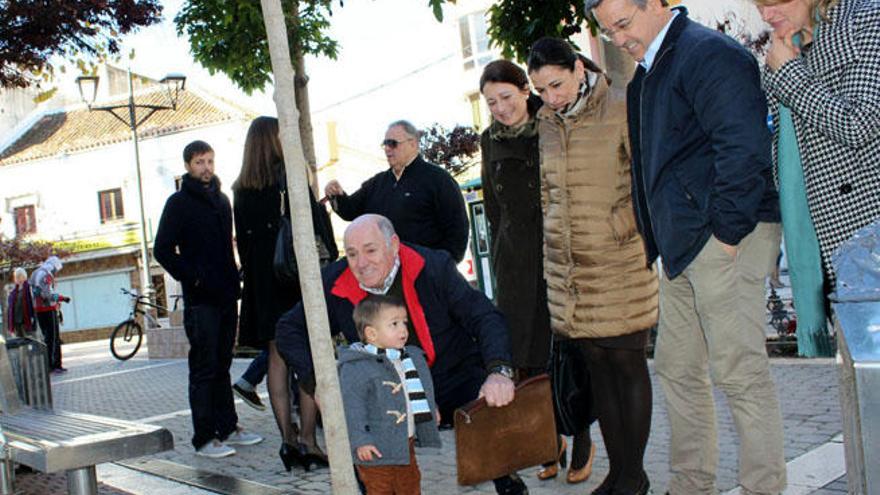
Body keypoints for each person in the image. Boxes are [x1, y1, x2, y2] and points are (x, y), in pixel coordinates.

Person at [588, 1, 786, 494]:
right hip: (680, 248)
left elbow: (743, 149)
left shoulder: (707, 53)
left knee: (738, 372)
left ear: (655, 4)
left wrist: (726, 234)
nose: (618, 38)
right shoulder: (645, 76)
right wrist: (657, 242)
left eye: (623, 24)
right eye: (608, 31)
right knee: (677, 368)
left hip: (723, 238)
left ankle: (763, 487)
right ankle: (691, 484)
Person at [276, 214, 528, 495]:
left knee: (489, 406)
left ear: (393, 245)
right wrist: (318, 383)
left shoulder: (434, 267)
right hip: (382, 391)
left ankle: (509, 483)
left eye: (371, 250)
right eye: (352, 254)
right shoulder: (334, 281)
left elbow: (484, 316)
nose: (361, 263)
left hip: (449, 374)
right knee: (362, 433)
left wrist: (499, 371)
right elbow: (289, 329)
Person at [527, 37, 660, 495]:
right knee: (598, 369)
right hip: (573, 270)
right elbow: (549, 194)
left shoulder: (620, 104)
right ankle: (619, 472)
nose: (551, 97)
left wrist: (621, 225)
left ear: (579, 69)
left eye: (557, 84)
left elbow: (644, 178)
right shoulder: (545, 123)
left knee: (627, 365)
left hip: (619, 260)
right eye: (541, 90)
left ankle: (634, 475)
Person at [479, 59, 589, 485]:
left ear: (526, 91)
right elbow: (491, 203)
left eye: (506, 97)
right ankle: (547, 442)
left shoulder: (551, 124)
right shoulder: (488, 139)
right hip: (514, 263)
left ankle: (579, 436)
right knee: (528, 360)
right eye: (491, 102)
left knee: (567, 350)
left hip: (557, 251)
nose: (500, 108)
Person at [754, 0, 880, 355]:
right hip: (823, 244)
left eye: (775, 3)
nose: (766, 15)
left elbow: (860, 124)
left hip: (867, 239)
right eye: (759, 5)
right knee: (862, 385)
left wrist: (789, 74)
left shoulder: (868, 20)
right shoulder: (788, 45)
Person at [231, 116, 338, 471]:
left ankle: (287, 442)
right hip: (295, 279)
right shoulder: (289, 176)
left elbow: (243, 244)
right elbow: (314, 226)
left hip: (263, 284)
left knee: (277, 360)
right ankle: (309, 441)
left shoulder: (241, 188)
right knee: (307, 356)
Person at [154, 140, 262, 459]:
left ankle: (228, 427)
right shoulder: (178, 203)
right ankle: (204, 439)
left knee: (223, 364)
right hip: (200, 300)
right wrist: (194, 276)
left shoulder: (223, 200)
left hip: (227, 294)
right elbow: (162, 249)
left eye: (210, 161)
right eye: (200, 162)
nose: (206, 168)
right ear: (188, 165)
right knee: (203, 367)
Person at [323, 120, 469, 262]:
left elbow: (457, 229)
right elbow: (350, 210)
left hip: (427, 273)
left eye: (392, 143)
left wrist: (443, 265)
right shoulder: (378, 183)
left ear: (413, 144)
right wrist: (337, 195)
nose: (387, 149)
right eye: (385, 144)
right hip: (387, 274)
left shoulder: (438, 179)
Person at [339, 294, 441, 494]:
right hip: (376, 449)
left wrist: (430, 407)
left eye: (404, 322)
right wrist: (361, 441)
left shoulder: (407, 357)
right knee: (380, 489)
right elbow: (352, 407)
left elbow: (418, 389)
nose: (403, 329)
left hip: (405, 443)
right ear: (372, 334)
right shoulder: (357, 366)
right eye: (394, 324)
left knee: (410, 485)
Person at [30, 256, 68, 373]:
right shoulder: (46, 274)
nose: (55, 273)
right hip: (48, 309)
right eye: (56, 270)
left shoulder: (35, 273)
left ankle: (48, 364)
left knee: (46, 338)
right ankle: (54, 365)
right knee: (54, 338)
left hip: (39, 310)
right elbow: (48, 294)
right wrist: (62, 298)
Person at [6, 268, 38, 340]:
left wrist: (33, 316)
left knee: (31, 340)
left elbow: (33, 303)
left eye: (20, 276)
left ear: (25, 277)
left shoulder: (29, 288)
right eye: (17, 277)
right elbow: (10, 308)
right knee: (20, 342)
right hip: (16, 321)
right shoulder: (13, 292)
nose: (19, 279)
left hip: (26, 320)